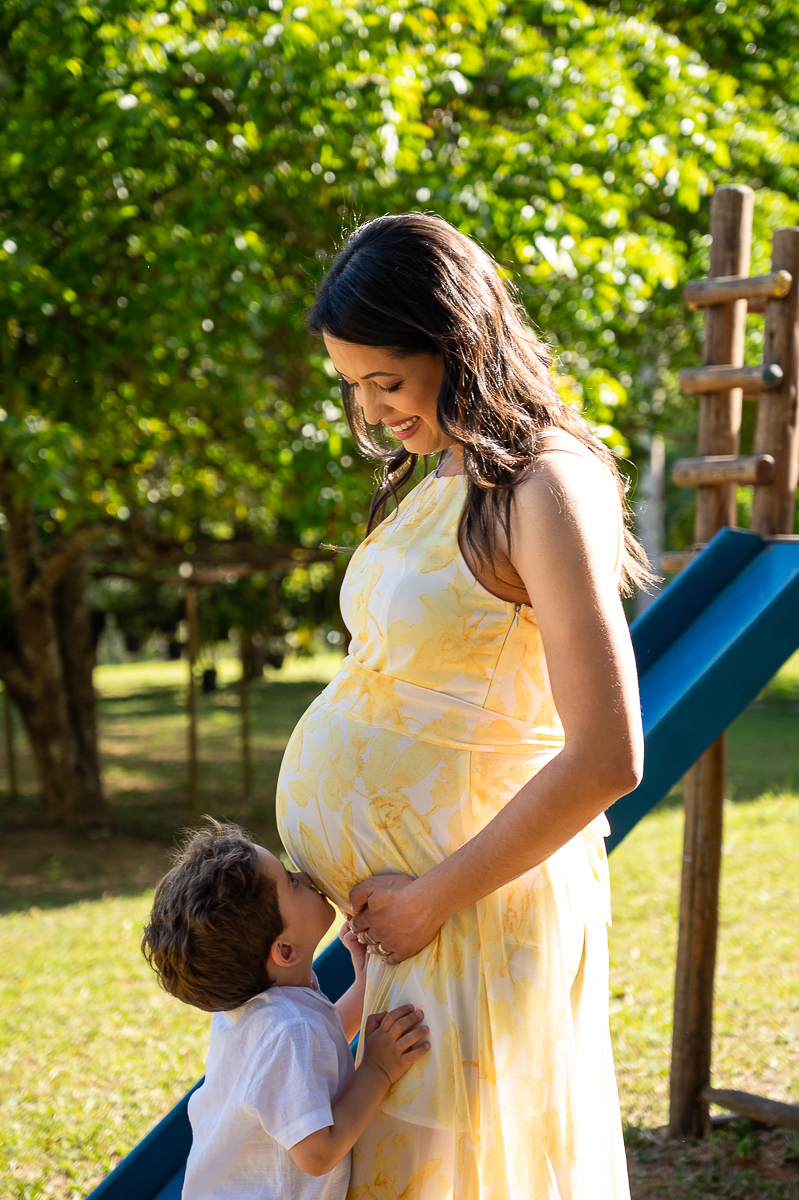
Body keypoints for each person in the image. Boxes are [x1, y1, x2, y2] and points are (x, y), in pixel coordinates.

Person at [276, 213, 648, 1200]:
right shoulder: (437, 471)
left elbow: (609, 753)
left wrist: (434, 894)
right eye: (352, 386)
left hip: (476, 920)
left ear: (457, 344)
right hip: (404, 929)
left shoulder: (544, 484)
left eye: (386, 381)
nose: (369, 411)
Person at [141, 819, 430, 1200]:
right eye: (291, 882)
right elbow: (318, 1152)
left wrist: (363, 987)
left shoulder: (261, 1009)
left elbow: (315, 1053)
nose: (306, 877)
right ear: (285, 951)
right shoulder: (285, 1029)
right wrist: (376, 1070)